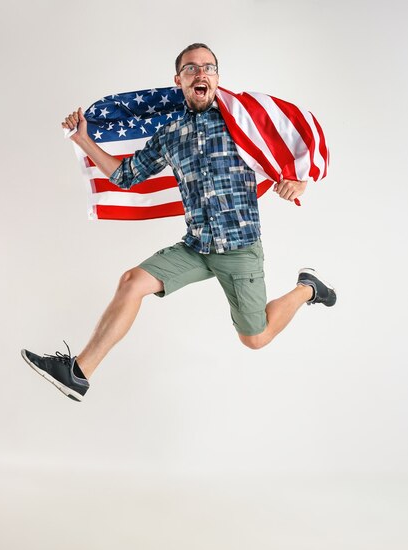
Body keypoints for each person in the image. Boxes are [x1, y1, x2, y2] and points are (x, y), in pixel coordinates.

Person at [21, 43, 336, 402]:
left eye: (209, 67)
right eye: (191, 68)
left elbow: (299, 137)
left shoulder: (243, 122)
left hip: (239, 250)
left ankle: (308, 287)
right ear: (179, 80)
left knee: (256, 338)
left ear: (217, 78)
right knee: (131, 281)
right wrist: (83, 139)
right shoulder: (171, 134)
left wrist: (302, 178)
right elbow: (125, 175)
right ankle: (79, 373)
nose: (201, 73)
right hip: (196, 247)